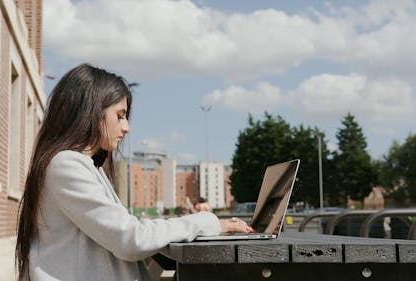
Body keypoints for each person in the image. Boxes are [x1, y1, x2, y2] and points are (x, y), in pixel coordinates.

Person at [15, 63, 253, 281]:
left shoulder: (84, 166)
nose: (126, 128)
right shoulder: (67, 165)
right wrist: (208, 222)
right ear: (89, 111)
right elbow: (130, 239)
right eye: (119, 116)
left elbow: (123, 229)